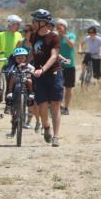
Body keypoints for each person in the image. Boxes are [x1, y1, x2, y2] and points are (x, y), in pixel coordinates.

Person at [28, 9, 63, 146]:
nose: (33, 23)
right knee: (42, 104)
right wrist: (25, 62)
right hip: (39, 76)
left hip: (54, 74)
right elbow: (34, 53)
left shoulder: (54, 37)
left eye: (36, 20)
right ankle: (46, 126)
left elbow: (54, 56)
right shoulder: (33, 36)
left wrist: (42, 69)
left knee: (55, 104)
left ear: (43, 22)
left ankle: (56, 136)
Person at [4, 47, 35, 138]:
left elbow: (33, 69)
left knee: (29, 81)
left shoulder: (27, 65)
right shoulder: (14, 66)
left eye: (22, 57)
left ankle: (31, 93)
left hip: (25, 81)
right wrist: (10, 71)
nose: (20, 59)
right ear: (15, 59)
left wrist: (30, 72)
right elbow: (9, 71)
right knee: (12, 78)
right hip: (16, 84)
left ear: (26, 58)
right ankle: (10, 92)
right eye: (18, 58)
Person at [55, 19, 77, 115]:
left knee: (68, 87)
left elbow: (71, 45)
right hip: (58, 65)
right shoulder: (55, 36)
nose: (58, 28)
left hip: (69, 65)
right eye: (57, 26)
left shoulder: (71, 35)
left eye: (60, 26)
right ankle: (58, 106)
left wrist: (64, 35)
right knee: (58, 87)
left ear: (65, 27)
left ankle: (66, 107)